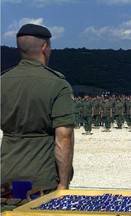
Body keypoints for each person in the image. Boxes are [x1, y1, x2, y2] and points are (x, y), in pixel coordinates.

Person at [1, 23, 75, 192]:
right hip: (42, 178)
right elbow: (64, 136)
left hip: (6, 178)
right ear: (44, 47)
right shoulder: (58, 84)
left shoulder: (3, 81)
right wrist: (63, 183)